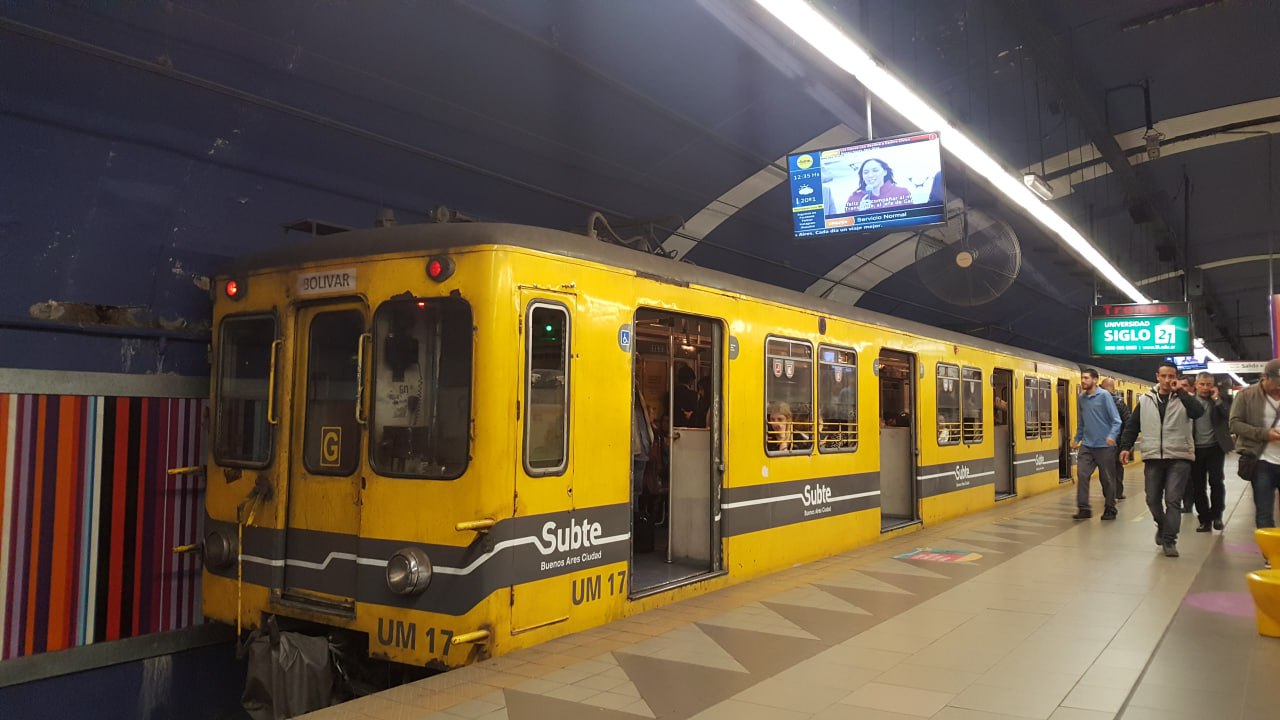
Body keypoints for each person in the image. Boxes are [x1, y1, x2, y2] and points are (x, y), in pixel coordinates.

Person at [1118, 362, 1205, 558]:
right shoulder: (1146, 399)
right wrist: (1125, 447)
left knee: (1173, 500)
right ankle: (1163, 524)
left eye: (1171, 376)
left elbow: (1198, 412)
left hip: (1179, 456)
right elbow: (1133, 425)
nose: (1167, 380)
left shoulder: (1186, 399)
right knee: (1152, 499)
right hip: (1153, 457)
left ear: (1176, 377)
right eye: (1164, 376)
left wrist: (1181, 392)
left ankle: (1169, 541)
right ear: (1157, 376)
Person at [1227, 358, 1280, 567]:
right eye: (1275, 383)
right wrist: (1264, 434)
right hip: (1262, 462)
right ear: (1264, 377)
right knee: (1264, 510)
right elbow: (1234, 424)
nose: (1278, 389)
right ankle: (1271, 556)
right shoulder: (1246, 395)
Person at [1072, 369, 1123, 520]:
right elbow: (1082, 422)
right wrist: (1077, 438)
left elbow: (1116, 420)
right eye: (1082, 378)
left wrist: (1111, 436)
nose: (1083, 381)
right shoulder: (1081, 398)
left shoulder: (1104, 396)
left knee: (1106, 478)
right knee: (1082, 474)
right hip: (1087, 445)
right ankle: (1084, 508)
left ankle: (1110, 508)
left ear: (1095, 380)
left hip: (1105, 446)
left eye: (1086, 378)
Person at [1189, 371, 1233, 532]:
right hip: (1195, 450)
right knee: (1198, 486)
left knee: (1216, 482)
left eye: (1209, 384)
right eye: (1202, 384)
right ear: (1196, 385)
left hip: (1215, 448)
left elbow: (1230, 416)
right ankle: (1204, 519)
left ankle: (1217, 516)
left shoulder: (1222, 400)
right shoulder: (1189, 402)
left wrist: (1216, 399)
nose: (1205, 388)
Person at [1100, 378, 1132, 499]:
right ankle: (1118, 492)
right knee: (1118, 467)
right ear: (1113, 388)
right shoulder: (1120, 403)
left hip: (1102, 442)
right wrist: (1124, 441)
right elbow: (1128, 422)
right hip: (1117, 441)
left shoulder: (1099, 401)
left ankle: (1108, 493)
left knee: (1105, 469)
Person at [843, 158, 914, 213]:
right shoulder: (854, 198)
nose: (870, 175)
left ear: (885, 172)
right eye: (866, 172)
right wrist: (860, 212)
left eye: (875, 170)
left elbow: (911, 217)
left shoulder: (901, 192)